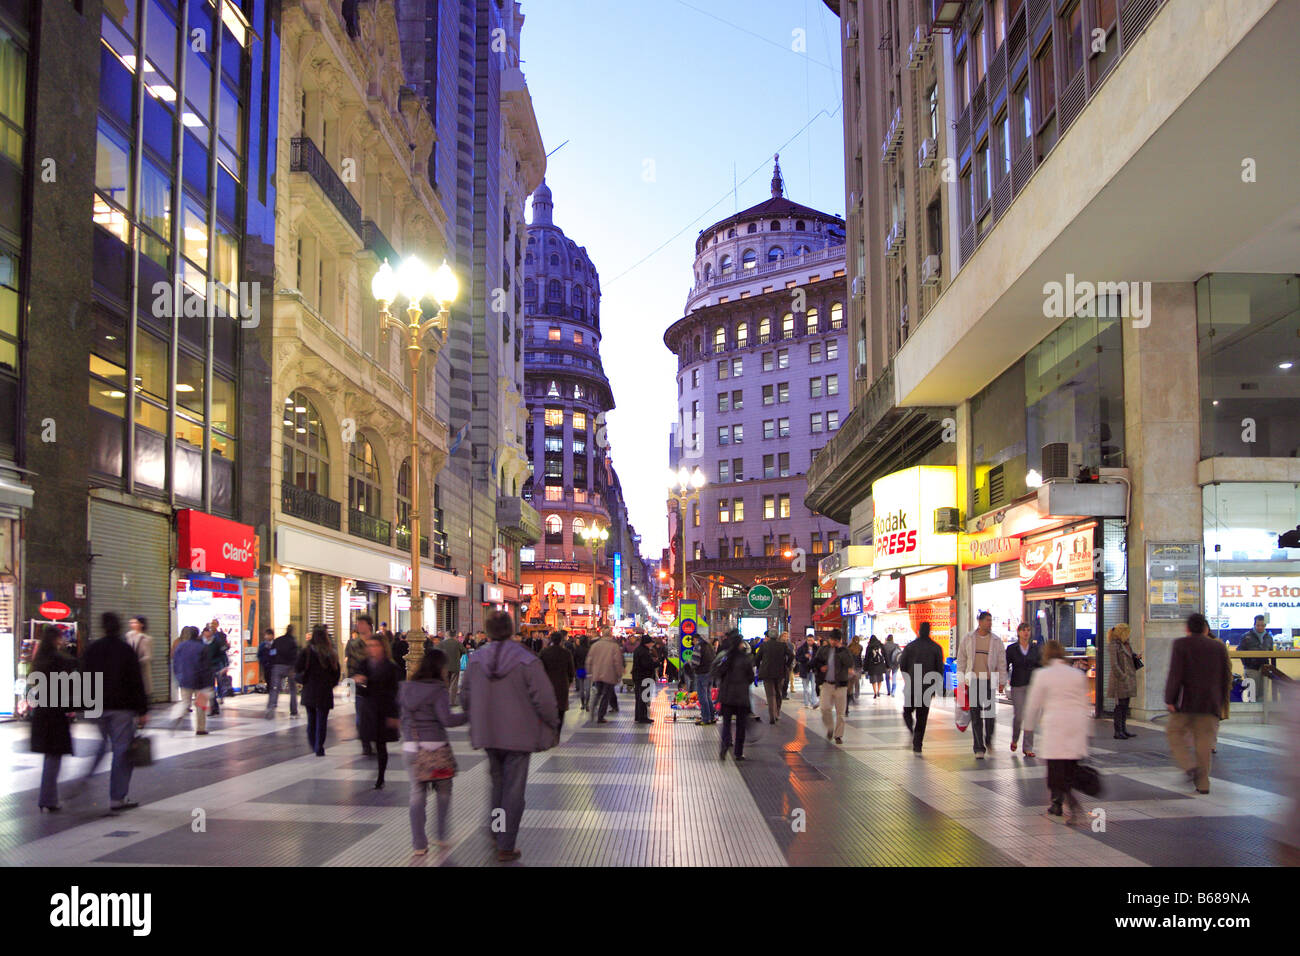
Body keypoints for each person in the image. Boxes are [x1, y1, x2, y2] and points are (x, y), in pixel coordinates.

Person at [461, 610, 559, 863]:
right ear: (511, 629)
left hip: (488, 734)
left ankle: (496, 831)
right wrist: (553, 723)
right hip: (519, 735)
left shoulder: (475, 659)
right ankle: (506, 843)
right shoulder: (526, 660)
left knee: (496, 787)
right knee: (513, 792)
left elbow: (465, 697)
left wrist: (476, 718)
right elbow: (545, 699)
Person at [401, 648, 466, 855]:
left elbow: (402, 719)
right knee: (444, 792)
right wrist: (468, 716)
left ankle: (419, 844)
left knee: (417, 794)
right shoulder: (438, 690)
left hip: (412, 747)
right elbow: (446, 720)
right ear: (439, 667)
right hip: (435, 747)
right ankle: (440, 835)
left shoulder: (406, 688)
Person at [81, 613, 149, 811]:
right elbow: (136, 681)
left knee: (102, 745)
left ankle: (87, 777)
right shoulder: (125, 650)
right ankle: (117, 798)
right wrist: (142, 710)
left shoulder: (93, 649)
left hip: (97, 706)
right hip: (121, 708)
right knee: (121, 751)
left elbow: (84, 676)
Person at [1023, 639, 1091, 824]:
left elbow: (1033, 704)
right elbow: (1085, 704)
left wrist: (1028, 727)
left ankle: (1071, 805)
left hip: (1056, 728)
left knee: (1055, 773)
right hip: (1075, 727)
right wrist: (1088, 731)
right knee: (1068, 769)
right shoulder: (1076, 674)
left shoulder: (1042, 675)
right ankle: (1058, 804)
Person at [1165, 612, 1232, 795]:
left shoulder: (1181, 644)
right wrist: (1221, 701)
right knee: (1204, 744)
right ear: (1205, 628)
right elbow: (1225, 676)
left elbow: (1175, 673)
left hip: (1186, 702)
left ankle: (1189, 766)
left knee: (1174, 732)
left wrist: (1170, 699)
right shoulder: (1218, 647)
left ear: (1187, 628)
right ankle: (1203, 785)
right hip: (1210, 703)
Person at [30, 625, 78, 811]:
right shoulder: (59, 659)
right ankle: (48, 799)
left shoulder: (39, 660)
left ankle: (48, 798)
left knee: (50, 756)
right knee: (54, 757)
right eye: (60, 638)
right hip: (55, 713)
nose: (62, 641)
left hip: (42, 713)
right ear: (55, 639)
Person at [955, 611, 1007, 759]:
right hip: (972, 681)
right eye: (988, 621)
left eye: (991, 621)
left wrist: (1002, 682)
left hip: (989, 681)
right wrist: (960, 679)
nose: (990, 623)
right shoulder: (969, 638)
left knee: (990, 715)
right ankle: (979, 748)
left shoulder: (996, 641)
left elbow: (1001, 662)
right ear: (980, 622)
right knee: (976, 715)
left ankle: (989, 739)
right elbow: (961, 659)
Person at [354, 631, 401, 788]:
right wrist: (358, 682)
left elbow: (394, 692)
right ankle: (376, 770)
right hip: (369, 708)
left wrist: (394, 715)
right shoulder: (364, 664)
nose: (372, 649)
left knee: (381, 744)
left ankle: (380, 777)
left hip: (383, 709)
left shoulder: (390, 667)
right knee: (367, 737)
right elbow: (359, 687)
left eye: (375, 645)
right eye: (369, 646)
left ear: (382, 647)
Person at [898, 622, 944, 755]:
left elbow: (902, 665)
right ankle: (917, 744)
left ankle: (911, 730)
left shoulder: (910, 646)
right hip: (927, 687)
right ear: (929, 631)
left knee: (907, 711)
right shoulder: (936, 647)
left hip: (912, 685)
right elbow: (939, 669)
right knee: (922, 716)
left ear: (918, 631)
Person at [296, 624, 341, 756]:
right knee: (322, 720)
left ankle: (313, 743)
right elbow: (336, 673)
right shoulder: (330, 653)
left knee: (312, 719)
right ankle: (319, 746)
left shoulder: (307, 651)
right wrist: (330, 684)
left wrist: (304, 679)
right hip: (324, 691)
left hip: (310, 689)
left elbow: (298, 667)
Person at [712, 630, 755, 761]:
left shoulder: (726, 657)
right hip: (741, 697)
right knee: (741, 726)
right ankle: (738, 752)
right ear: (740, 644)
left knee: (726, 725)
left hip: (727, 696)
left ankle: (724, 747)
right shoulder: (746, 659)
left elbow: (718, 673)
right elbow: (751, 677)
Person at [1006, 622, 1042, 755]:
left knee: (1030, 716)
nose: (1026, 633)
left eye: (1028, 630)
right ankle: (1015, 739)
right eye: (1024, 630)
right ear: (1019, 633)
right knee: (1019, 715)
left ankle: (1028, 747)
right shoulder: (1011, 649)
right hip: (1017, 684)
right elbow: (1005, 664)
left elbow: (1040, 666)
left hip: (1032, 685)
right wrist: (1002, 680)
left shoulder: (1035, 648)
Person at [814, 630, 855, 744]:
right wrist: (821, 667)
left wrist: (840, 650)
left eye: (836, 640)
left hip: (841, 685)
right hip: (827, 684)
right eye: (832, 640)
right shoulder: (823, 649)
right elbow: (815, 662)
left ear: (840, 640)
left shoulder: (844, 651)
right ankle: (830, 727)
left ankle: (838, 735)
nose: (833, 642)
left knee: (840, 712)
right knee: (824, 708)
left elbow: (849, 662)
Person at [171, 626, 211, 734]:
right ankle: (200, 728)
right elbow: (206, 666)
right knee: (200, 706)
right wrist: (209, 682)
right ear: (198, 634)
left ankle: (176, 718)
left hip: (184, 679)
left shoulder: (181, 646)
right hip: (200, 681)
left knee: (185, 703)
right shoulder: (202, 647)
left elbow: (175, 663)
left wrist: (178, 676)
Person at [586, 628, 625, 724]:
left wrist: (589, 672)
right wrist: (619, 674)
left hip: (597, 674)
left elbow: (589, 660)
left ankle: (592, 708)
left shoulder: (595, 645)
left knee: (598, 693)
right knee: (606, 696)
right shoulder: (614, 646)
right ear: (611, 635)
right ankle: (600, 716)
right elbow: (617, 662)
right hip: (609, 674)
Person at [539, 630, 577, 729]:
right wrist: (569, 681)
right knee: (560, 710)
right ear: (561, 640)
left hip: (547, 684)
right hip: (562, 684)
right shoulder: (566, 653)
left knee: (548, 707)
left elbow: (539, 669)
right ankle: (557, 732)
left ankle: (549, 729)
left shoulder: (544, 652)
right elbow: (571, 671)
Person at [1107, 622, 1139, 739]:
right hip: (1119, 680)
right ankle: (1118, 731)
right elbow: (1114, 664)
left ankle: (1124, 729)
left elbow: (1129, 657)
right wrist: (1123, 676)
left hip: (1128, 678)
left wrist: (1135, 657)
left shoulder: (1126, 644)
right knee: (1119, 705)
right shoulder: (1114, 645)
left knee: (1125, 705)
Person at [349, 616, 375, 755]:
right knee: (360, 715)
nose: (358, 626)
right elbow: (351, 665)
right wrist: (352, 681)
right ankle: (366, 744)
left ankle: (375, 739)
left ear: (369, 626)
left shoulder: (377, 642)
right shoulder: (354, 644)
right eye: (357, 624)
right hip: (360, 685)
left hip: (376, 684)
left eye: (361, 623)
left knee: (375, 715)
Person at [756, 630, 793, 724]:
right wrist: (787, 665)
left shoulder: (764, 645)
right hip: (780, 672)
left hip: (766, 673)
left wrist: (759, 667)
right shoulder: (783, 645)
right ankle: (777, 713)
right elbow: (791, 655)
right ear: (777, 636)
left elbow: (757, 658)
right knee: (778, 693)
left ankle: (772, 715)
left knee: (770, 695)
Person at [1238, 614, 1277, 703]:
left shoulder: (1269, 638)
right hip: (1251, 669)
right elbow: (1239, 651)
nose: (1260, 627)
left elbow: (1272, 653)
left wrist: (1272, 668)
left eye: (1262, 625)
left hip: (1264, 669)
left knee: (1263, 695)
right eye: (1258, 625)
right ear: (1254, 624)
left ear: (1265, 626)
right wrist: (1247, 664)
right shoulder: (1246, 637)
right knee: (1251, 694)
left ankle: (1263, 716)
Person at [266, 625, 300, 718]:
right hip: (290, 667)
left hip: (277, 666)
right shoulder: (293, 641)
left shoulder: (278, 640)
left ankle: (271, 708)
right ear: (292, 631)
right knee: (293, 689)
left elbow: (272, 652)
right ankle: (294, 711)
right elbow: (295, 655)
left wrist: (273, 662)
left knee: (274, 688)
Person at [203, 621, 230, 716]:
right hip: (206, 668)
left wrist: (225, 665)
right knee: (209, 688)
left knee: (216, 684)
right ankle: (213, 707)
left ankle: (216, 704)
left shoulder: (217, 640)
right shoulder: (201, 643)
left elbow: (223, 653)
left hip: (216, 667)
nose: (207, 636)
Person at [631, 633, 657, 724]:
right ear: (647, 643)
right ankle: (643, 717)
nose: (651, 644)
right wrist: (657, 664)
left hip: (638, 676)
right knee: (643, 697)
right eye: (650, 643)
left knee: (639, 697)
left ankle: (638, 716)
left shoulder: (638, 650)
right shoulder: (644, 652)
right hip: (644, 677)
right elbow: (647, 665)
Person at [125, 616, 154, 699]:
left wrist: (137, 661)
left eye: (135, 622)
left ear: (141, 624)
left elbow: (148, 656)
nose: (132, 625)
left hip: (142, 670)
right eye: (131, 623)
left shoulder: (146, 639)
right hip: (130, 670)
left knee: (142, 692)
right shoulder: (128, 635)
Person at [694, 634, 717, 725]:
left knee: (702, 696)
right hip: (710, 673)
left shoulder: (698, 646)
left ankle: (705, 718)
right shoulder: (709, 646)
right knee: (708, 695)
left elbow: (695, 661)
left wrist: (691, 665)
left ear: (696, 639)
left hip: (702, 673)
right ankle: (711, 717)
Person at [796, 637, 819, 708]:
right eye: (808, 640)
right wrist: (805, 657)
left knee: (813, 687)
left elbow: (819, 658)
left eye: (811, 640)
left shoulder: (817, 648)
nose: (810, 642)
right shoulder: (802, 648)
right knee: (806, 688)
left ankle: (814, 702)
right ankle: (806, 702)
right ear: (806, 640)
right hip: (805, 669)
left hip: (813, 670)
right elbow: (797, 658)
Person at [573, 635, 591, 711]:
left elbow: (574, 659)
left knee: (581, 687)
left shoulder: (577, 649)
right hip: (588, 670)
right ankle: (587, 704)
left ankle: (582, 704)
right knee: (587, 688)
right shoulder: (589, 650)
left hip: (580, 669)